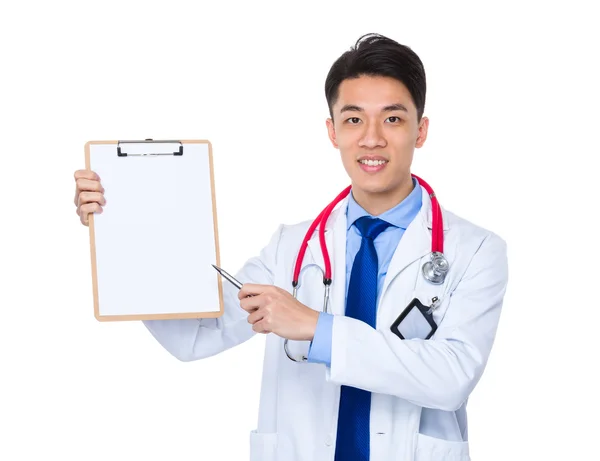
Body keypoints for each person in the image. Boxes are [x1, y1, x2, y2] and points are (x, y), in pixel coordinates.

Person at [73, 33, 508, 461]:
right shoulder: (292, 247)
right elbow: (197, 334)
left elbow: (451, 377)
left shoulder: (475, 251)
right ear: (332, 131)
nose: (372, 138)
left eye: (392, 118)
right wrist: (123, 232)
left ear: (421, 130)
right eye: (353, 119)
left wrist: (317, 327)